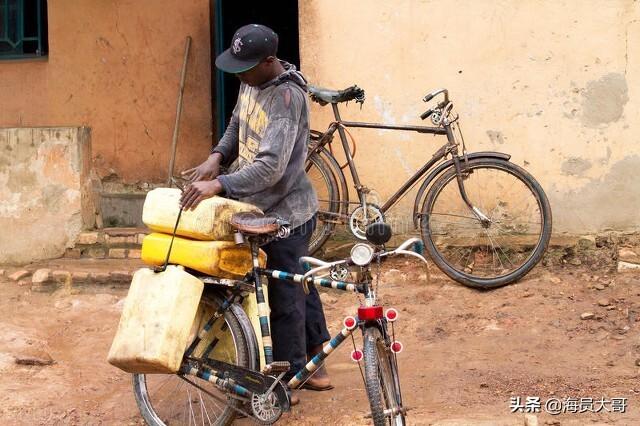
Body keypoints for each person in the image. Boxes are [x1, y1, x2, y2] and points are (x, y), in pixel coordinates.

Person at [180, 24, 332, 401]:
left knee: (284, 296)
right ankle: (316, 358)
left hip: (286, 213)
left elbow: (271, 168)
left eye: (245, 68)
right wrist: (217, 157)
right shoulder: (251, 80)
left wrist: (219, 185)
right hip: (259, 203)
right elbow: (237, 121)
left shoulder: (285, 99)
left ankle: (290, 378)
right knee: (297, 281)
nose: (239, 74)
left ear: (269, 62)